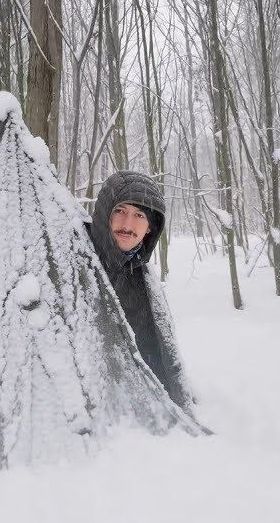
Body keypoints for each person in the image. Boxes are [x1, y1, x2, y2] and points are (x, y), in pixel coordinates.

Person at [87, 171, 195, 412]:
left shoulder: (142, 281)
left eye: (139, 216)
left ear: (149, 228)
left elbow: (157, 355)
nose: (127, 224)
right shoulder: (77, 258)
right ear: (105, 214)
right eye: (120, 211)